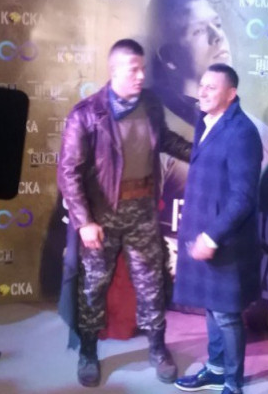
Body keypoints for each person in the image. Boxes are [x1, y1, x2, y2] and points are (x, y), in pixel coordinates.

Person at [147, 0, 268, 323]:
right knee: (218, 323)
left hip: (229, 260)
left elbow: (250, 202)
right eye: (198, 31)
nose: (216, 37)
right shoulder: (158, 130)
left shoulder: (258, 133)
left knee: (225, 321)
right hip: (187, 275)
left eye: (217, 24)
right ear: (169, 57)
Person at [57, 38, 192, 387]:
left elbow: (165, 139)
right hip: (102, 215)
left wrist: (202, 153)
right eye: (134, 69)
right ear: (114, 70)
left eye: (142, 69)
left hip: (142, 211)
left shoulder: (151, 104)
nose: (141, 76)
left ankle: (157, 348)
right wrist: (84, 222)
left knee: (151, 284)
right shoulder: (87, 114)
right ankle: (88, 351)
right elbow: (68, 172)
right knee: (93, 285)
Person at [173, 64, 262, 394]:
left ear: (231, 93)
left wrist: (211, 237)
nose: (203, 92)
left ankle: (232, 384)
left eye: (212, 87)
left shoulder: (242, 133)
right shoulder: (206, 120)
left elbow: (243, 198)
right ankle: (215, 369)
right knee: (212, 307)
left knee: (226, 314)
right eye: (202, 85)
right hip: (205, 232)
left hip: (226, 241)